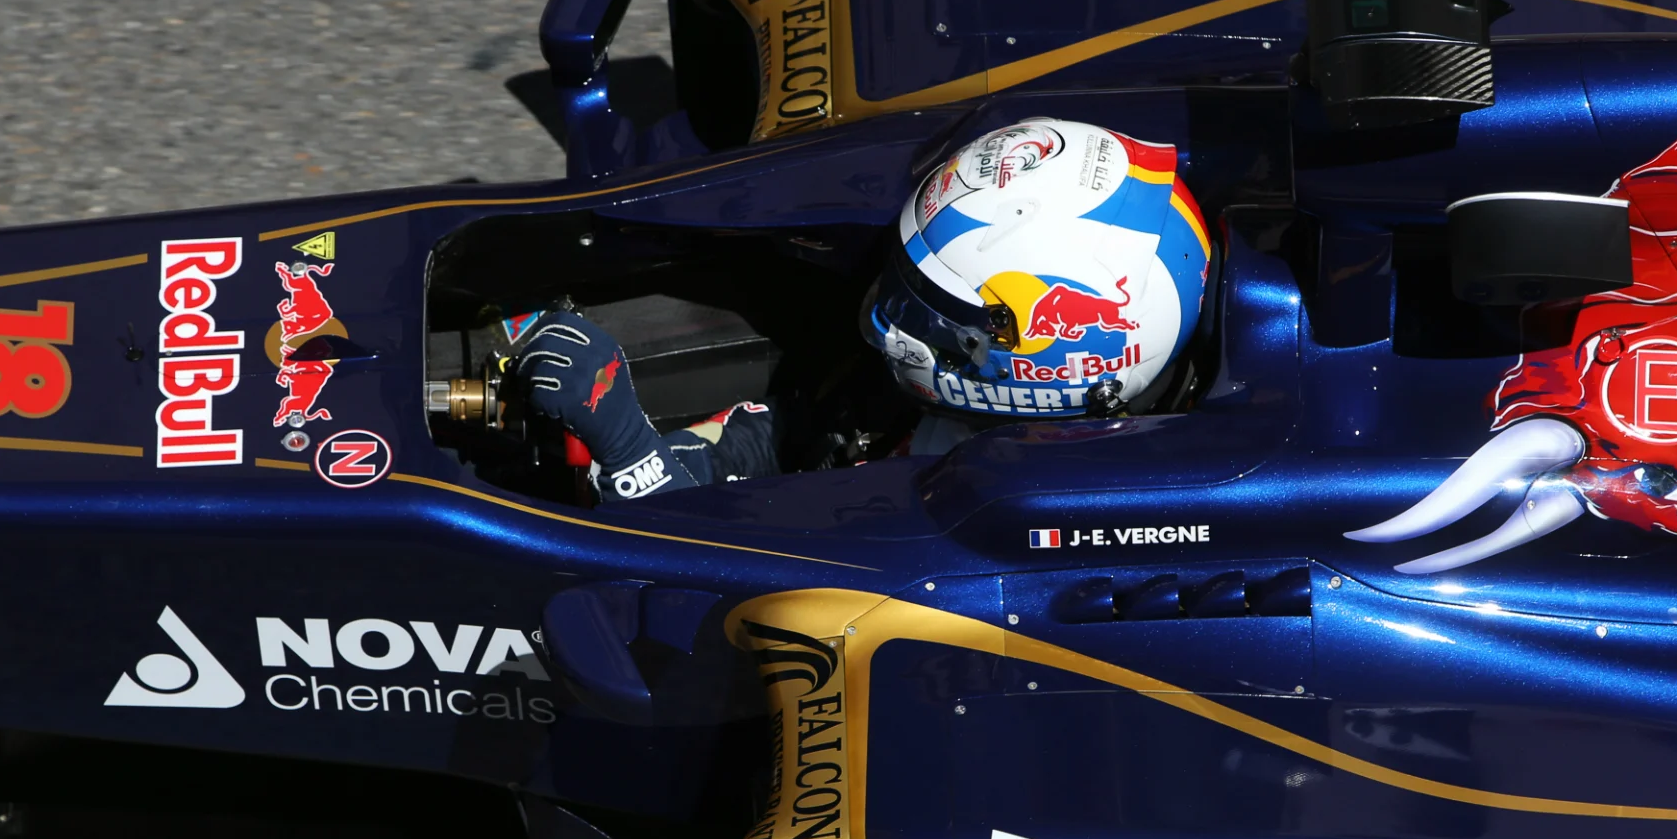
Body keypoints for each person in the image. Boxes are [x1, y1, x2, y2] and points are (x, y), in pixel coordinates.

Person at [515, 117, 1212, 502]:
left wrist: (636, 459)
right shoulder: (972, 410)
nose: (888, 321)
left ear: (1048, 362)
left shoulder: (1009, 515)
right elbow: (795, 439)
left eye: (933, 311)